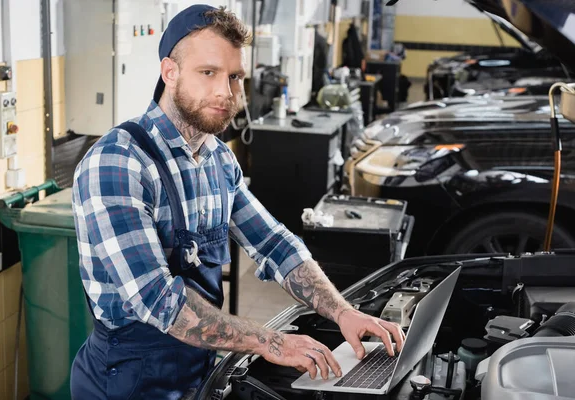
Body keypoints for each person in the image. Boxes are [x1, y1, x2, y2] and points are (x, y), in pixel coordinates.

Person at [70, 4, 405, 399]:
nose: (225, 92)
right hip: (126, 379)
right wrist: (271, 342)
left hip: (198, 367)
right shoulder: (118, 161)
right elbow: (158, 301)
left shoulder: (218, 158)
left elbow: (275, 244)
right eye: (208, 73)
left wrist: (341, 310)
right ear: (169, 72)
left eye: (234, 77)